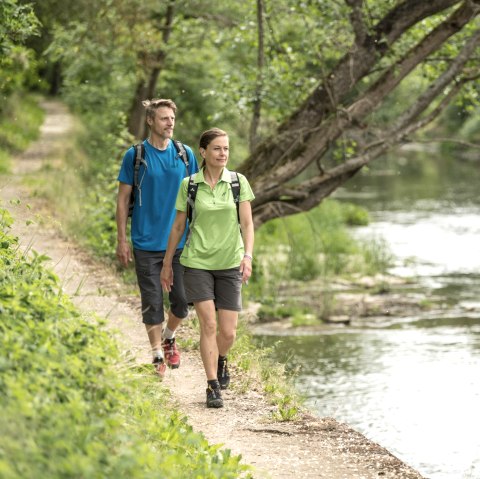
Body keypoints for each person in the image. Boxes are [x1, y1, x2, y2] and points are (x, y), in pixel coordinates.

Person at [160, 127, 254, 408]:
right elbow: (178, 225)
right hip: (197, 262)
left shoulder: (238, 183)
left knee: (228, 333)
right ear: (203, 151)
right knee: (208, 324)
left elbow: (247, 224)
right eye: (217, 148)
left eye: (226, 149)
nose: (223, 153)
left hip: (230, 263)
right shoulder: (190, 185)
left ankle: (221, 359)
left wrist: (247, 256)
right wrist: (167, 262)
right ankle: (212, 385)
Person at [116, 98, 198, 377]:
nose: (170, 123)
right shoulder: (135, 156)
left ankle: (169, 335)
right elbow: (122, 199)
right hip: (146, 242)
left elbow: (198, 197)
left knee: (182, 302)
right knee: (152, 301)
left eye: (172, 119)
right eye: (164, 118)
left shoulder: (185, 154)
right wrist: (122, 240)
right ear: (151, 121)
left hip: (179, 245)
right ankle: (156, 356)